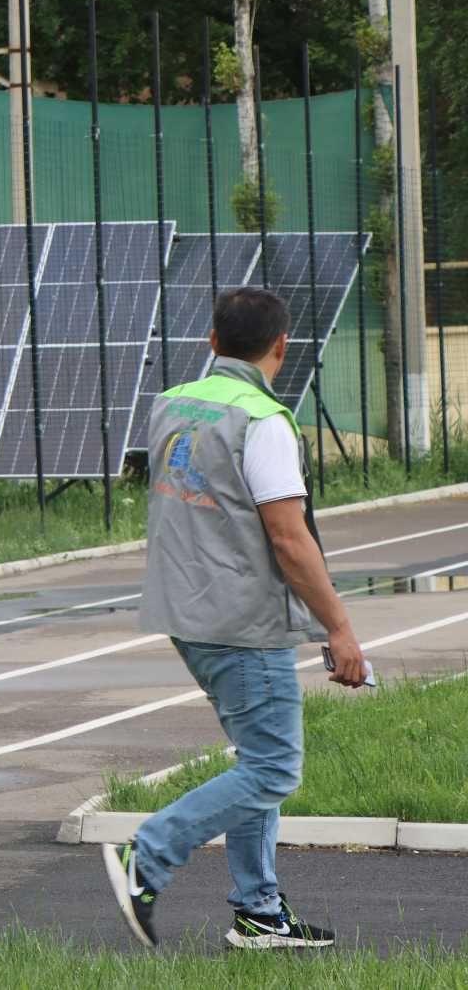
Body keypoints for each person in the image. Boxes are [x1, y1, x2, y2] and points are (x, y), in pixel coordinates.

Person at [105, 286, 370, 950]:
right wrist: (338, 627)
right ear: (281, 347)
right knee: (275, 768)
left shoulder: (173, 404)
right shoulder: (264, 421)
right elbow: (287, 536)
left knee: (256, 760)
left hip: (183, 609)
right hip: (241, 621)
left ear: (212, 341)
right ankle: (151, 853)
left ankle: (259, 912)